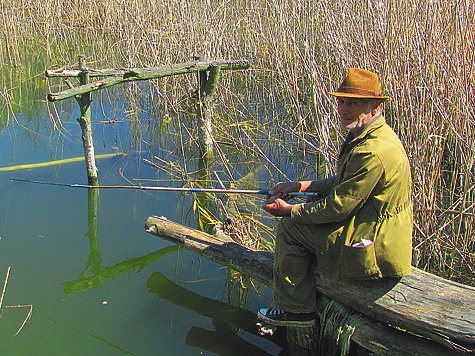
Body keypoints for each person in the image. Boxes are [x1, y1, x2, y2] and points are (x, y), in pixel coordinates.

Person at [258, 68, 413, 327]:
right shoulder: (372, 136)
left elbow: (339, 206)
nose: (343, 109)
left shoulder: (372, 151)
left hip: (375, 247)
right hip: (377, 231)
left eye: (352, 103)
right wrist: (302, 185)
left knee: (291, 228)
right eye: (341, 101)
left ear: (373, 107)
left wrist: (288, 211)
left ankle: (296, 310)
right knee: (306, 209)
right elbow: (343, 184)